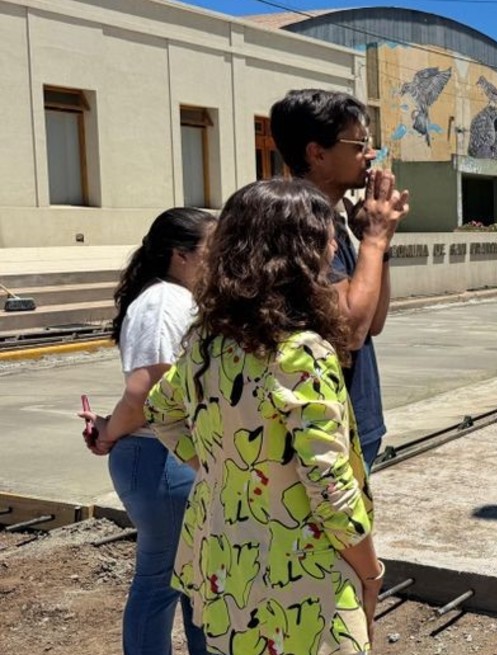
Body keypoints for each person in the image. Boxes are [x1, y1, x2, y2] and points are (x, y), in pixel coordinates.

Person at [145, 179, 383, 655]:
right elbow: (330, 490)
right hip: (303, 586)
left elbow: (160, 411)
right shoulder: (303, 354)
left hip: (225, 573)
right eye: (327, 233)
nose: (335, 244)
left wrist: (230, 470)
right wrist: (371, 572)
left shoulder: (209, 345)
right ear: (300, 251)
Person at [77, 207, 213, 655]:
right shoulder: (162, 303)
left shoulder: (176, 299)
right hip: (158, 457)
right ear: (181, 255)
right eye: (212, 249)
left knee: (195, 578)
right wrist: (110, 432)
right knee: (162, 582)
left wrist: (108, 429)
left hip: (167, 456)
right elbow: (147, 391)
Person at [270, 89, 409, 469]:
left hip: (352, 418)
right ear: (317, 153)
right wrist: (376, 238)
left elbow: (373, 322)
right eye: (359, 144)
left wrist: (376, 242)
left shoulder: (333, 218)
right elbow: (350, 332)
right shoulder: (300, 225)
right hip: (321, 428)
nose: (371, 154)